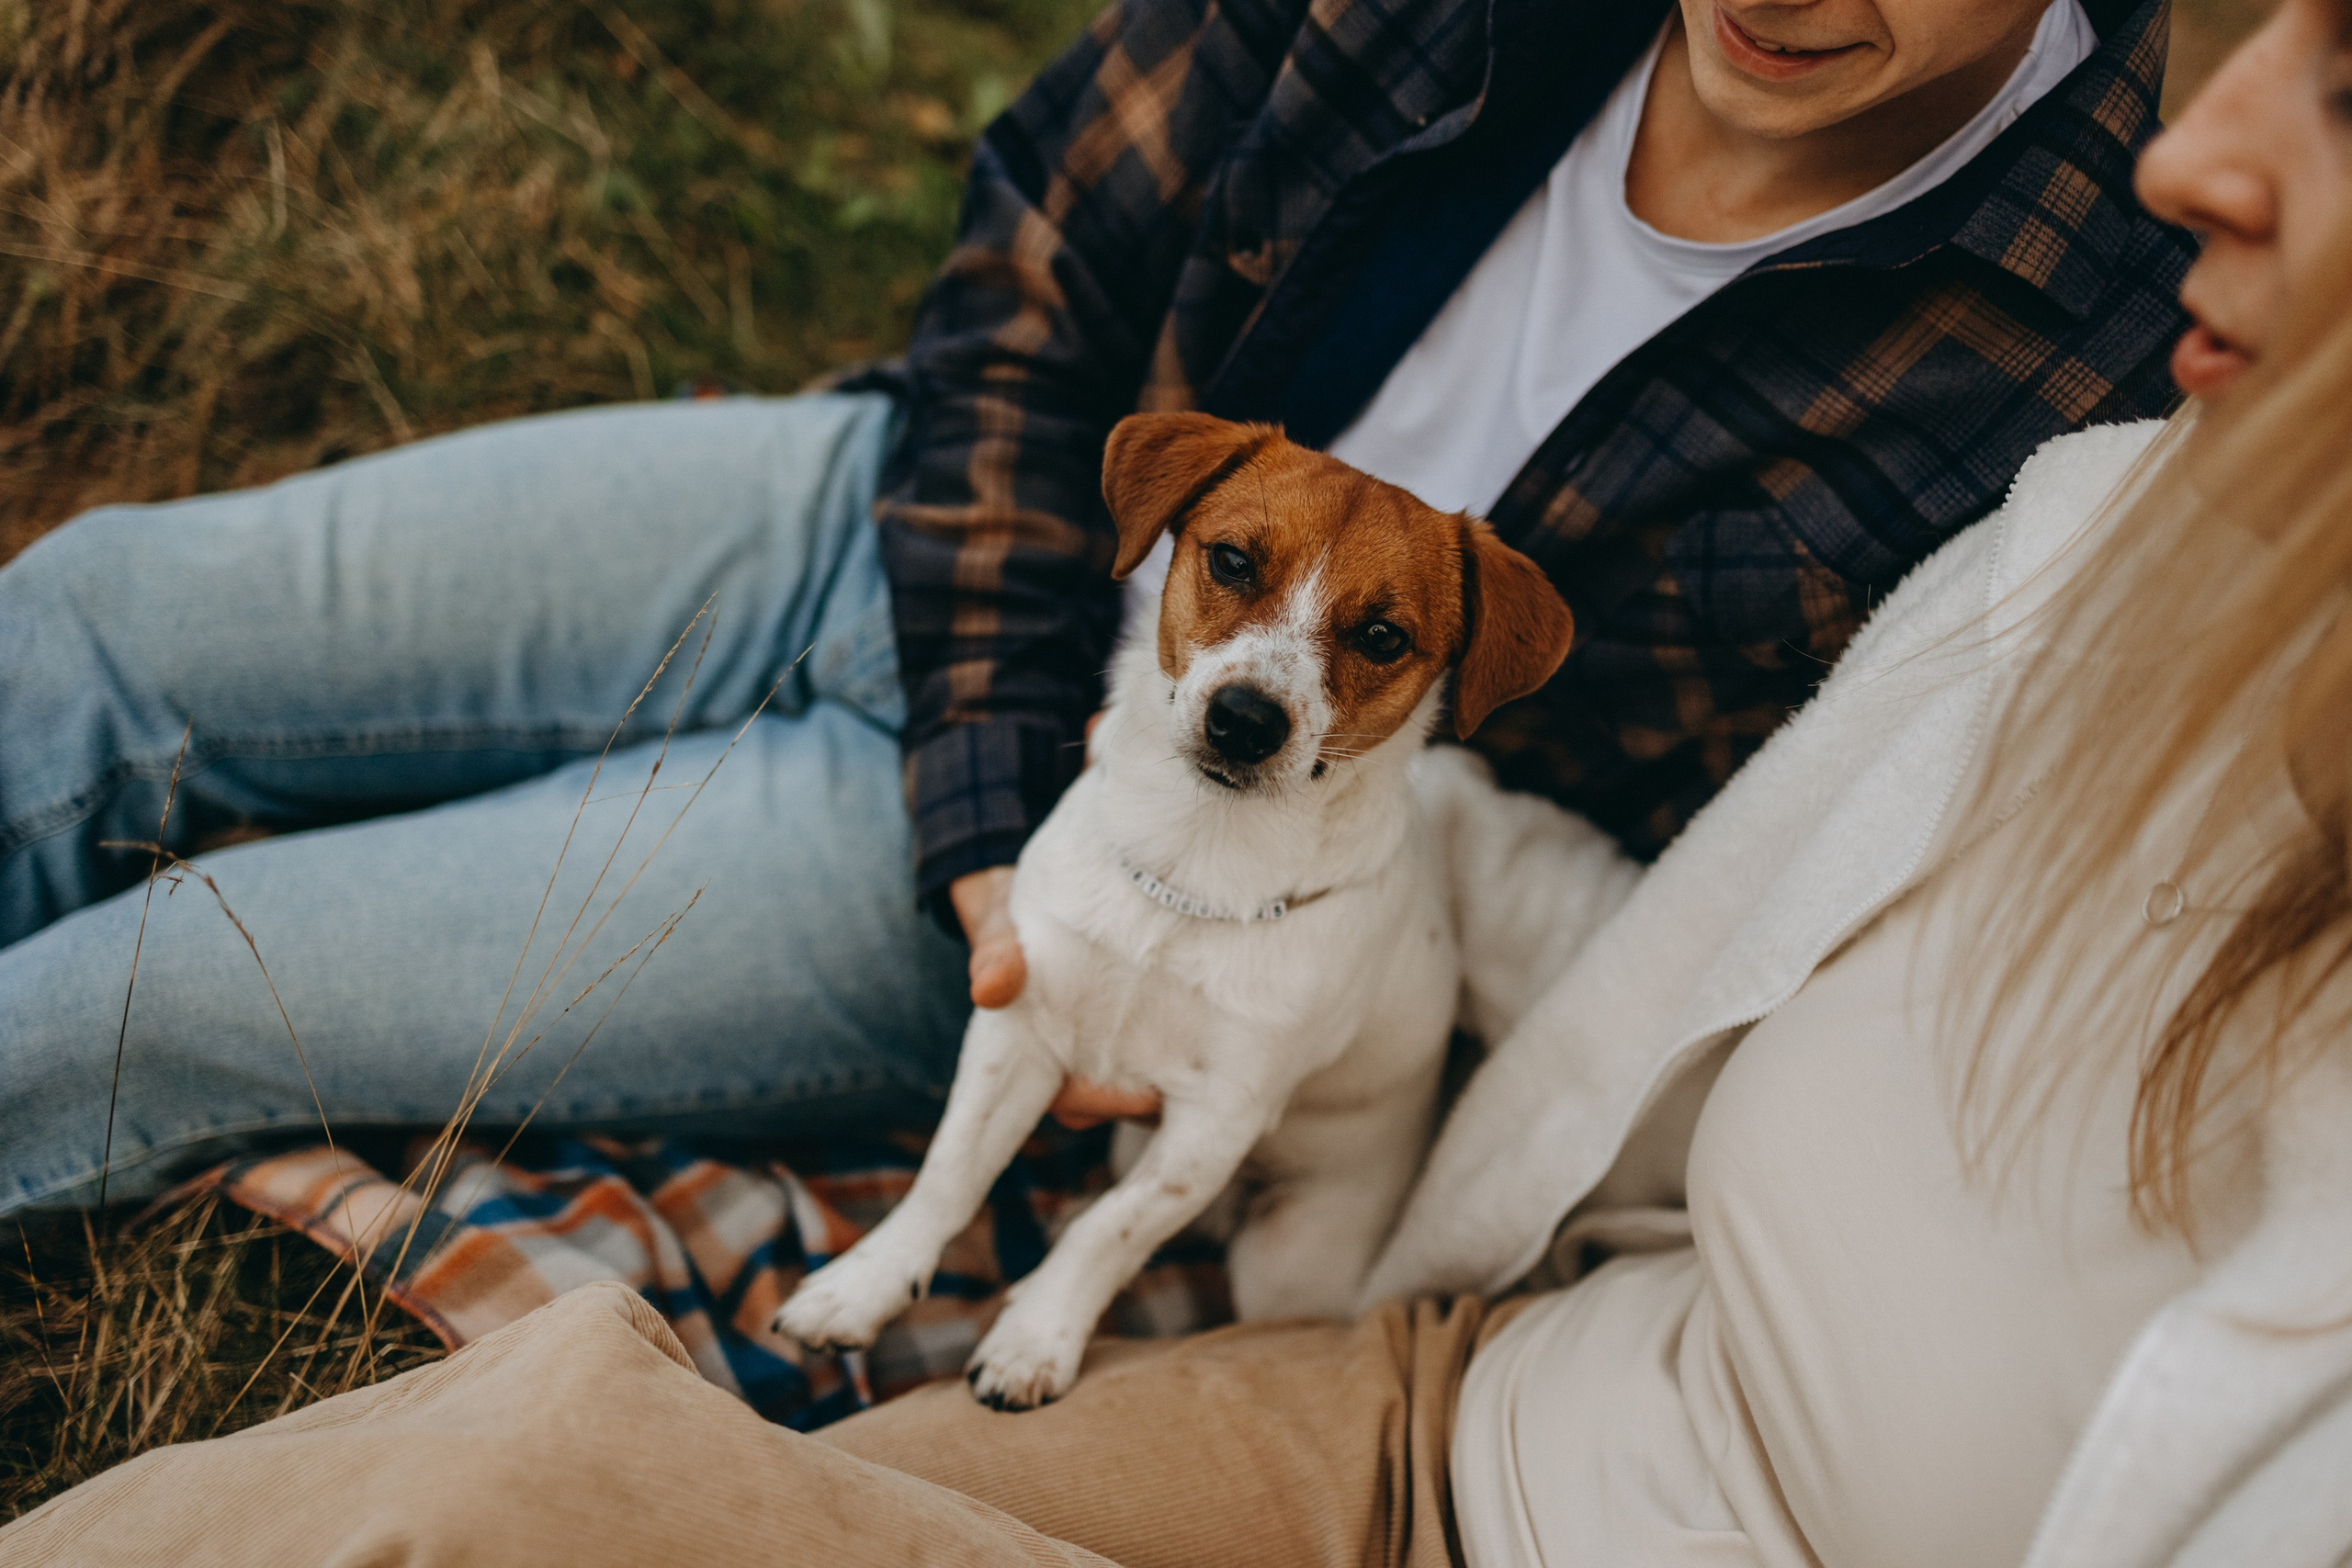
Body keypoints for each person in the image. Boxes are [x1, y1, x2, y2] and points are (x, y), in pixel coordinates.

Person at [5, 3, 2348, 1562]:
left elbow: (1715, 861)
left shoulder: (2095, 323)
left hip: (1123, 886)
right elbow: (1040, 238)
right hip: (921, 520)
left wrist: (1111, 912)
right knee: (97, 621)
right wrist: (985, 747)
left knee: (173, 995)